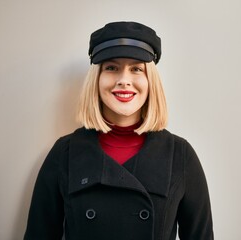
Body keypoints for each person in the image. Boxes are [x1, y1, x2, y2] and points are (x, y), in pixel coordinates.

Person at [24, 21, 214, 240]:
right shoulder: (65, 153)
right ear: (96, 79)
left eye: (136, 69)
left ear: (150, 80)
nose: (124, 80)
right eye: (111, 68)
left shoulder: (180, 155)